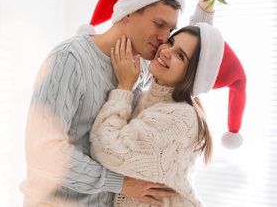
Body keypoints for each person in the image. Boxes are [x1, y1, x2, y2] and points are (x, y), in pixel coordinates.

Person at [20, 0, 231, 206]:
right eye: (158, 24)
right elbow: (42, 150)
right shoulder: (70, 59)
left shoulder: (138, 67)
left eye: (170, 30)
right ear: (129, 13)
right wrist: (119, 182)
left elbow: (190, 64)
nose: (165, 38)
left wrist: (206, 5)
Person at [90, 23, 247, 206]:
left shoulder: (181, 118)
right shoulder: (148, 98)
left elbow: (106, 149)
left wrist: (124, 87)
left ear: (193, 75)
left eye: (180, 55)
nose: (165, 51)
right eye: (171, 42)